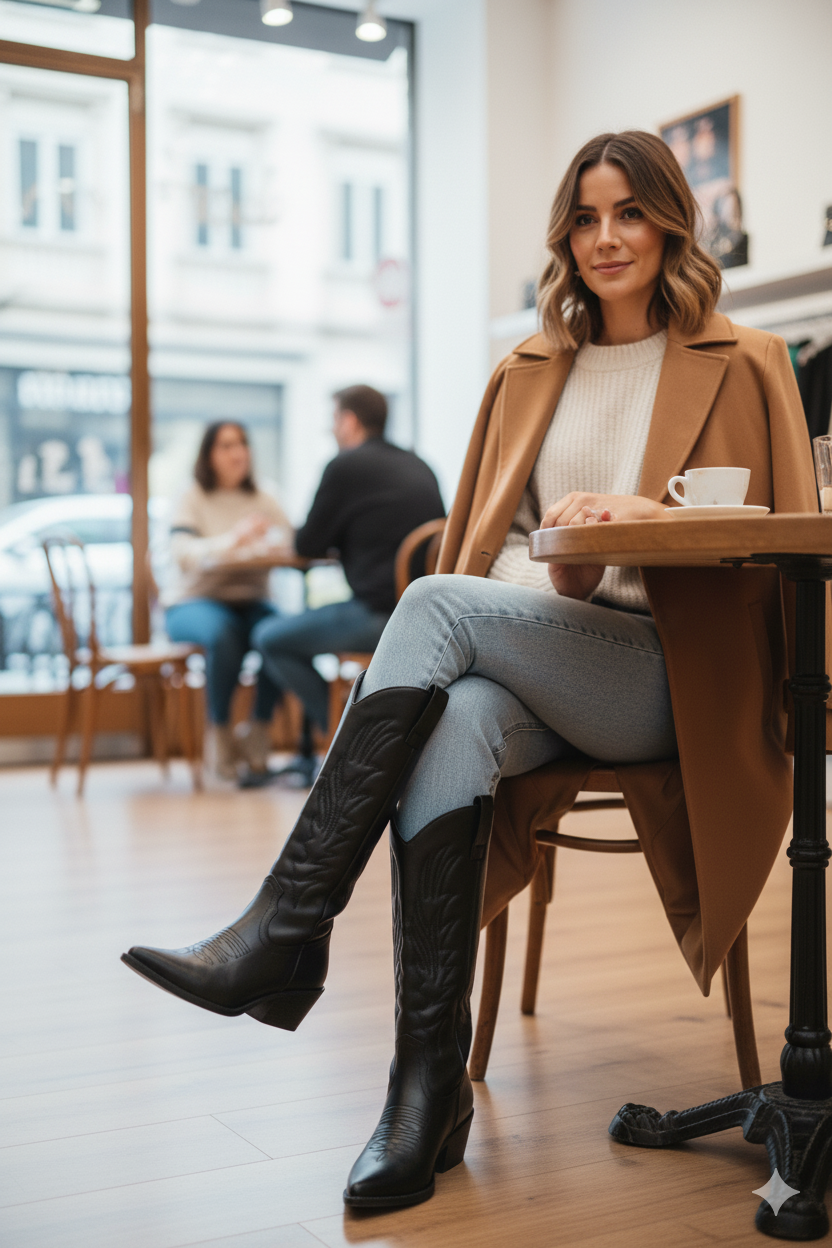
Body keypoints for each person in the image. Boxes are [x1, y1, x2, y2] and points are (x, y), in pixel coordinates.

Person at [123, 132, 818, 1210]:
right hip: (549, 652)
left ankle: (286, 927)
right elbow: (496, 552)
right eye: (583, 218)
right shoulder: (527, 370)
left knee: (431, 603)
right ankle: (424, 1087)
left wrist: (650, 521)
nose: (605, 238)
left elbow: (790, 544)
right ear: (564, 238)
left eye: (629, 212)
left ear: (672, 222)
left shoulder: (751, 359)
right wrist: (563, 578)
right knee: (456, 719)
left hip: (671, 680)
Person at [250, 384, 444, 742]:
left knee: (269, 637)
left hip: (378, 616)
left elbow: (308, 544)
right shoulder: (421, 465)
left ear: (349, 421)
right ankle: (354, 736)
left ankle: (349, 739)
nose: (332, 429)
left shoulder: (345, 466)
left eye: (334, 419)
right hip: (425, 617)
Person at [164, 421, 292, 780]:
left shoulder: (265, 496)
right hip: (193, 600)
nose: (238, 453)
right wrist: (235, 538)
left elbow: (291, 541)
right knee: (224, 634)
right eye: (227, 445)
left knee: (281, 635)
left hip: (251, 599)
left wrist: (268, 544)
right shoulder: (191, 496)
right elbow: (183, 553)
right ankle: (218, 732)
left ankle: (258, 730)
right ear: (209, 455)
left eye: (242, 444)